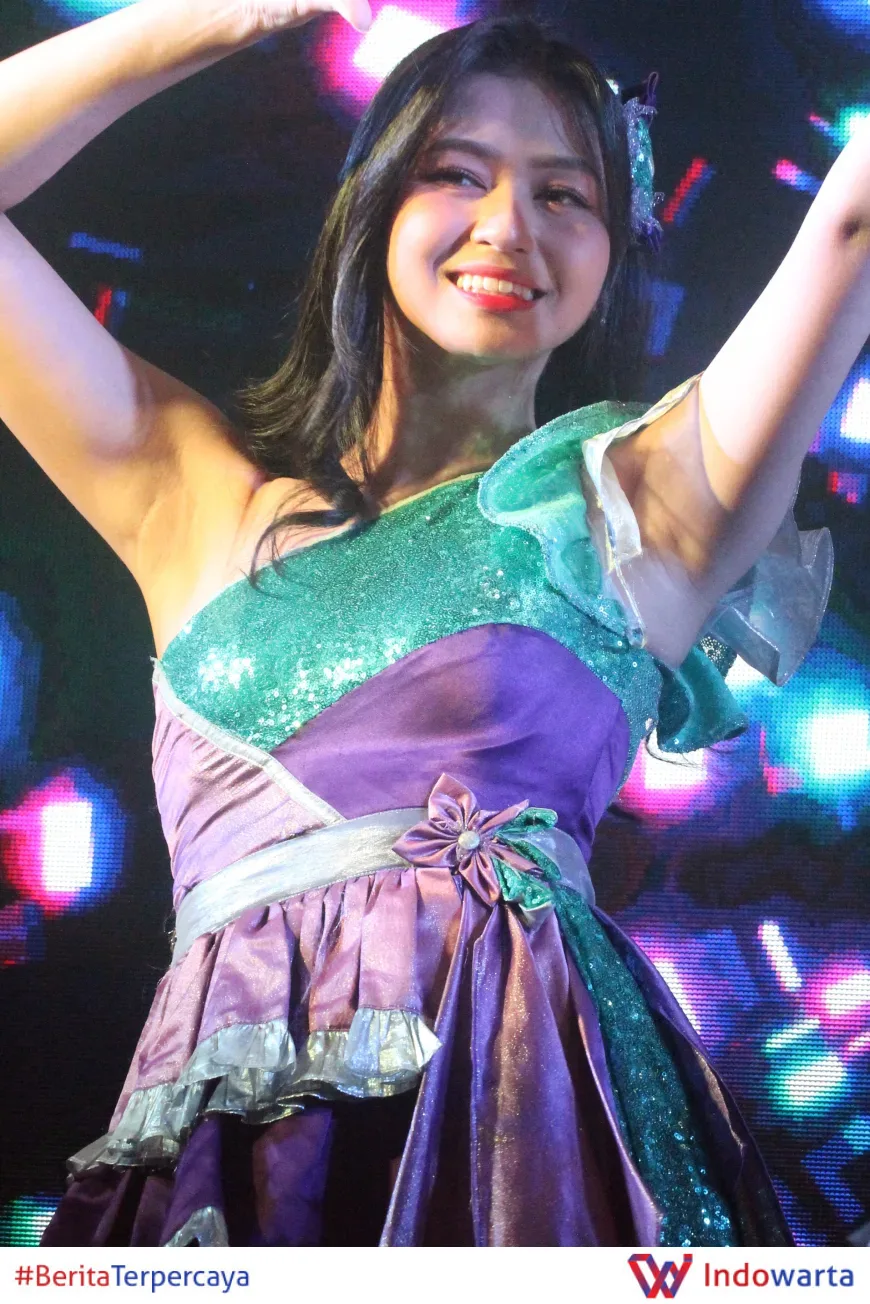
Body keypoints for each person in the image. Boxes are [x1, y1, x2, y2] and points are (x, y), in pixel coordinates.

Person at [0, 0, 858, 1248]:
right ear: (373, 203)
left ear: (613, 248)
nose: (509, 225)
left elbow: (853, 218)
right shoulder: (199, 499)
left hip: (530, 1140)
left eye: (564, 194)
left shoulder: (636, 504)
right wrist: (224, 17)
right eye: (458, 172)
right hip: (238, 1160)